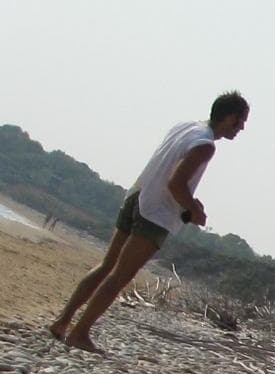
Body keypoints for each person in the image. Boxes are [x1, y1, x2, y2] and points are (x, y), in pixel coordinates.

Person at [50, 92, 249, 350]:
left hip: (137, 195)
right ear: (230, 118)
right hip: (155, 212)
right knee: (120, 276)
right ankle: (80, 332)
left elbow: (171, 173)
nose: (242, 128)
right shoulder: (206, 145)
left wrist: (191, 201)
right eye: (241, 122)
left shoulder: (187, 128)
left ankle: (63, 322)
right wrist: (194, 211)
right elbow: (176, 183)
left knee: (106, 265)